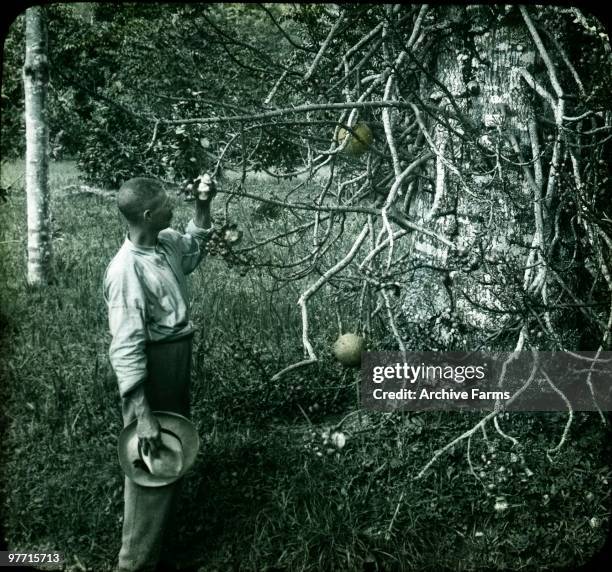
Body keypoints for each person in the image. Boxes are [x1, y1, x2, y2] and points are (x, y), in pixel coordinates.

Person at [103, 176, 216, 572]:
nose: (174, 209)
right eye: (167, 206)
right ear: (148, 215)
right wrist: (142, 414)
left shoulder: (164, 242)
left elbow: (193, 249)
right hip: (152, 370)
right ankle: (133, 562)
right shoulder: (125, 271)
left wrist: (205, 204)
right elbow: (126, 347)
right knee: (150, 461)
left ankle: (158, 549)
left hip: (176, 359)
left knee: (173, 450)